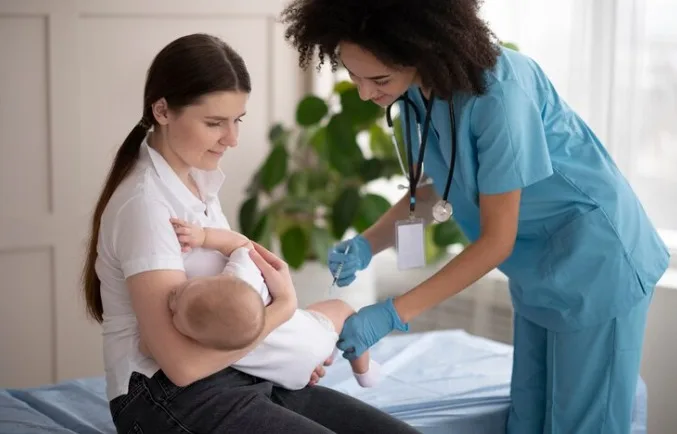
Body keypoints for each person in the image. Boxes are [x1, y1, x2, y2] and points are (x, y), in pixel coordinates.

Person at [280, 1, 671, 433]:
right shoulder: (413, 92)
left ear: (422, 49)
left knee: (582, 425)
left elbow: (495, 241)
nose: (365, 93)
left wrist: (392, 313)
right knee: (527, 419)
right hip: (538, 270)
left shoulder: (500, 94)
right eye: (352, 75)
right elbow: (442, 186)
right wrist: (368, 244)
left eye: (378, 79)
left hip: (597, 262)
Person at [81, 32, 420, 433]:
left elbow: (226, 311)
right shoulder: (145, 206)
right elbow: (183, 365)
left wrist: (285, 360)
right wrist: (280, 312)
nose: (233, 138)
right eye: (214, 123)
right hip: (165, 395)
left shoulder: (197, 186)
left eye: (237, 120)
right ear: (162, 110)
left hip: (233, 374)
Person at [147, 217, 380, 388]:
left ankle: (344, 360)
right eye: (176, 314)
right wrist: (205, 236)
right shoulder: (240, 277)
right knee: (343, 310)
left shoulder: (212, 348)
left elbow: (171, 350)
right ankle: (364, 371)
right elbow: (243, 246)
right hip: (308, 334)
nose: (172, 299)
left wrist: (151, 346)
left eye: (181, 291)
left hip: (292, 377)